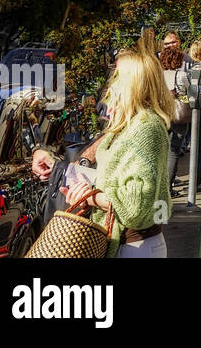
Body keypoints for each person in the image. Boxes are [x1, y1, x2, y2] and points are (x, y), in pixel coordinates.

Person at [60, 50, 174, 258]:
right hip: (125, 243)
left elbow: (132, 208)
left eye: (117, 76)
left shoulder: (146, 128)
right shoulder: (131, 125)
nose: (110, 85)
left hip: (135, 247)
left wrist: (91, 197)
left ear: (134, 83)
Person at [177, 40, 201, 190]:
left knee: (196, 144)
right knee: (198, 143)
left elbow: (193, 92)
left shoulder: (197, 69)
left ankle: (197, 180)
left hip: (198, 109)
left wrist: (187, 101)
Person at [158, 44, 188, 194]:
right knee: (174, 151)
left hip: (162, 115)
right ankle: (168, 189)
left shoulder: (159, 75)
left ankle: (161, 186)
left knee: (162, 151)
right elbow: (188, 93)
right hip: (178, 115)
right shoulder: (181, 75)